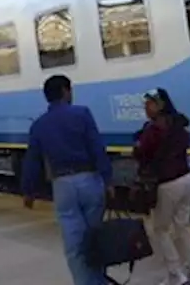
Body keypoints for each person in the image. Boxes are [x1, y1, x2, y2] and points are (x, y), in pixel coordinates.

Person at [22, 75, 112, 285]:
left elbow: (32, 161)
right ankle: (99, 281)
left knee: (74, 245)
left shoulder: (39, 125)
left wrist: (29, 191)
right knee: (96, 239)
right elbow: (97, 148)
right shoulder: (82, 114)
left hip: (63, 185)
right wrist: (108, 179)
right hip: (89, 180)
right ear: (65, 91)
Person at [135, 88, 190, 285]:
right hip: (185, 179)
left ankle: (176, 274)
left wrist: (138, 147)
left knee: (161, 229)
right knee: (183, 227)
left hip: (167, 183)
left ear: (160, 105)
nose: (146, 108)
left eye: (149, 104)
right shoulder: (179, 125)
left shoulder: (154, 130)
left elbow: (142, 153)